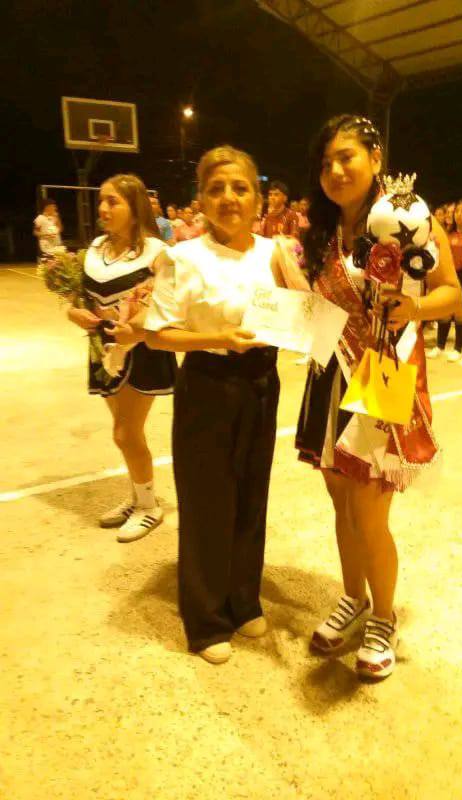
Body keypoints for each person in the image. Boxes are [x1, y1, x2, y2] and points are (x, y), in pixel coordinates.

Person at [295, 114, 460, 680]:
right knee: (341, 503)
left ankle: (383, 619)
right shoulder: (319, 231)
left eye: (346, 157)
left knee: (369, 509)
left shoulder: (407, 218)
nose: (336, 170)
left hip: (382, 373)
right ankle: (353, 597)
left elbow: (451, 292)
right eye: (326, 163)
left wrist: (414, 306)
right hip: (329, 374)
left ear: (376, 157)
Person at [144, 146, 308, 665]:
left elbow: (302, 315)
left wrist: (303, 301)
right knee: (206, 501)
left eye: (240, 188)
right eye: (216, 189)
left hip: (261, 382)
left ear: (258, 198)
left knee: (250, 496)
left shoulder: (273, 252)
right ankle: (206, 618)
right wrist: (215, 338)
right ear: (201, 198)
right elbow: (157, 334)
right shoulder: (183, 257)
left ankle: (243, 600)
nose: (229, 198)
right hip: (208, 384)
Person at [66, 174, 177, 542]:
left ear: (135, 207)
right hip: (102, 349)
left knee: (125, 432)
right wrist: (75, 312)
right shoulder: (96, 247)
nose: (103, 208)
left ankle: (149, 507)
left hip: (140, 352)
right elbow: (79, 299)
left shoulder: (157, 252)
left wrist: (137, 329)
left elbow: (167, 305)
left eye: (113, 201)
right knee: (125, 432)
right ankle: (137, 498)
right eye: (101, 200)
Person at [427, 198, 462, 362]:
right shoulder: (446, 232)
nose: (459, 214)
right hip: (448, 274)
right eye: (457, 211)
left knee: (461, 314)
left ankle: (458, 349)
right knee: (444, 312)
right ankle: (440, 346)